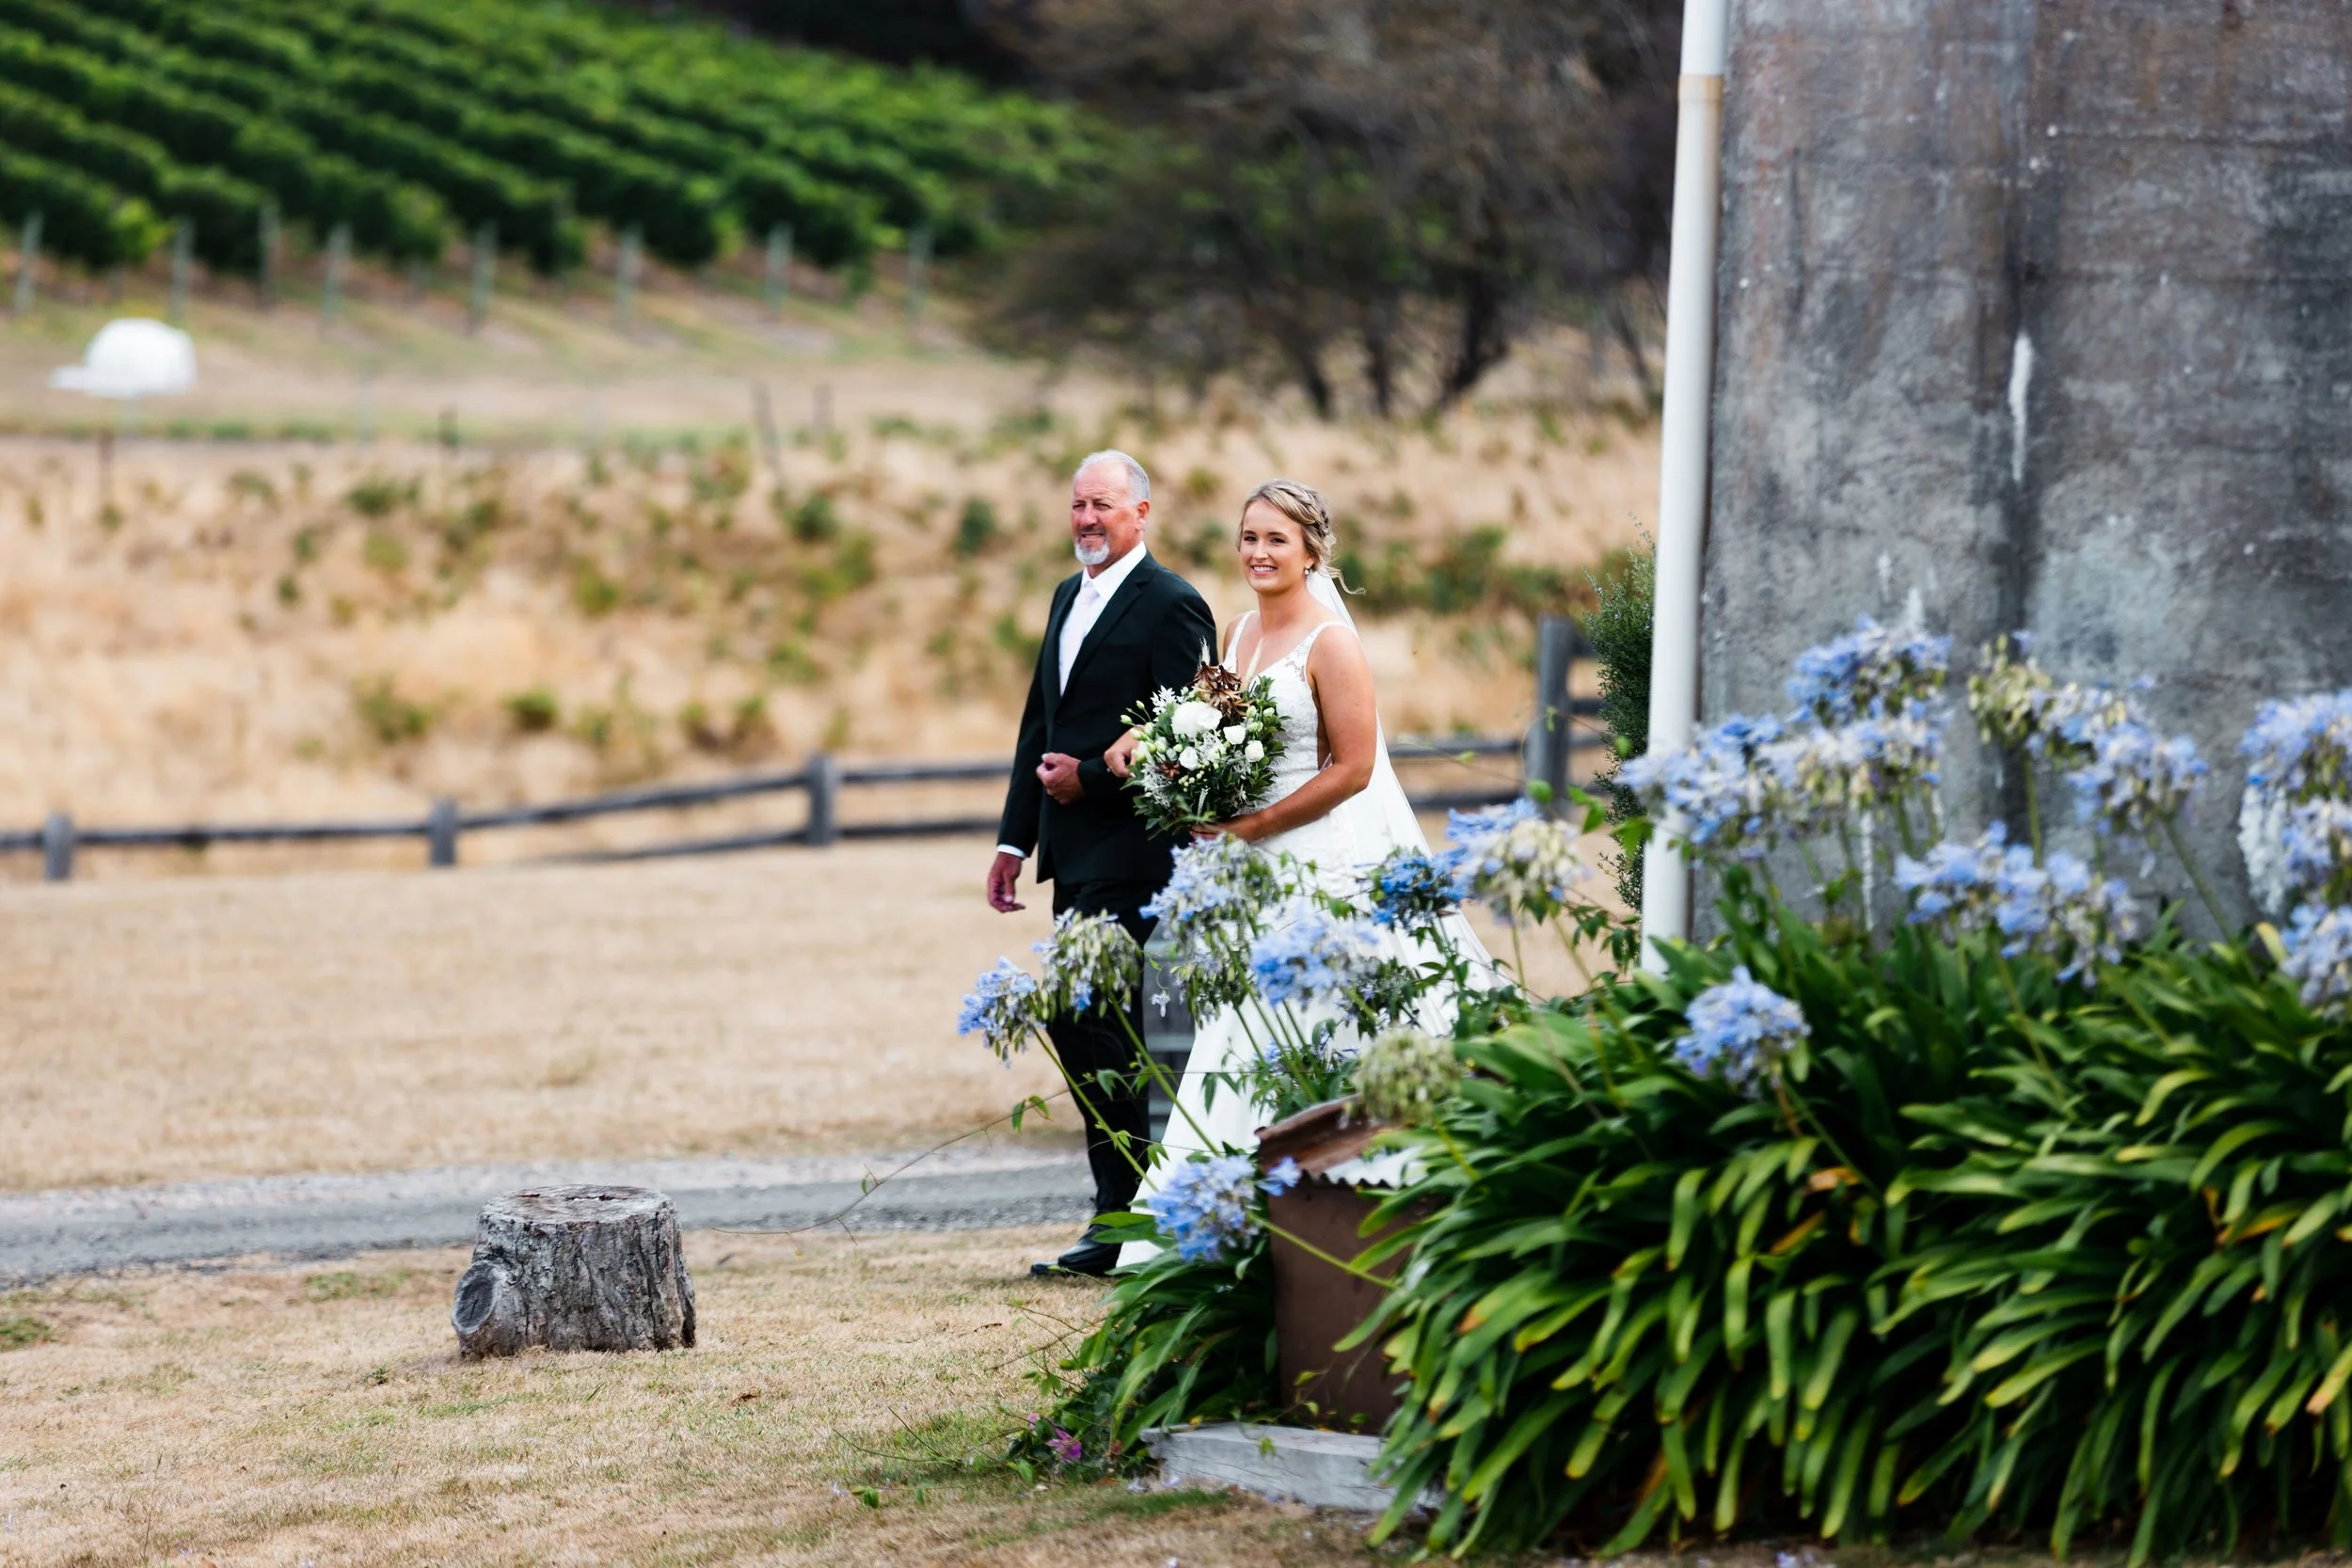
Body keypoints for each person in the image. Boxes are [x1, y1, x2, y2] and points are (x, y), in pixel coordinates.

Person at [1104, 480, 1489, 1232]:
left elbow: (1354, 768)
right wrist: (1148, 744)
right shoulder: (1239, 634)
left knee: (1320, 1016)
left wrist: (1257, 824)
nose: (1258, 552)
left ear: (1312, 549)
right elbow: (1203, 724)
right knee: (1242, 1029)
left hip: (1315, 858)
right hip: (1246, 864)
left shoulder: (1332, 642)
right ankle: (1230, 1220)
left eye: (1277, 539)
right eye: (1249, 537)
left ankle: (1360, 1204)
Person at [990, 449, 1217, 1278]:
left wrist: (1088, 778)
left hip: (1141, 857)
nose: (1087, 519)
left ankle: (1128, 1219)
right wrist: (1017, 838)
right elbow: (1036, 724)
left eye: (1104, 506)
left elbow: (1192, 743)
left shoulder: (1174, 605)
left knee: (1124, 1033)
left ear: (1142, 513)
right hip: (1073, 859)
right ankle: (1113, 1211)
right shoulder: (1064, 595)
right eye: (1079, 505)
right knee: (1080, 1029)